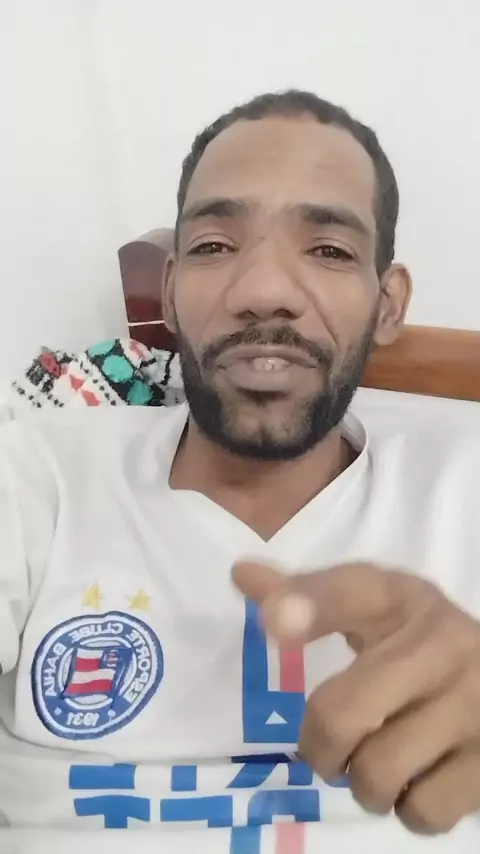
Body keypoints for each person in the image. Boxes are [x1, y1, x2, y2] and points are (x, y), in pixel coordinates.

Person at [1, 89, 479, 854]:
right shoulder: (36, 473)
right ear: (168, 293)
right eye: (215, 246)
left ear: (389, 305)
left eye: (329, 250)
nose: (264, 293)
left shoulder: (465, 480)